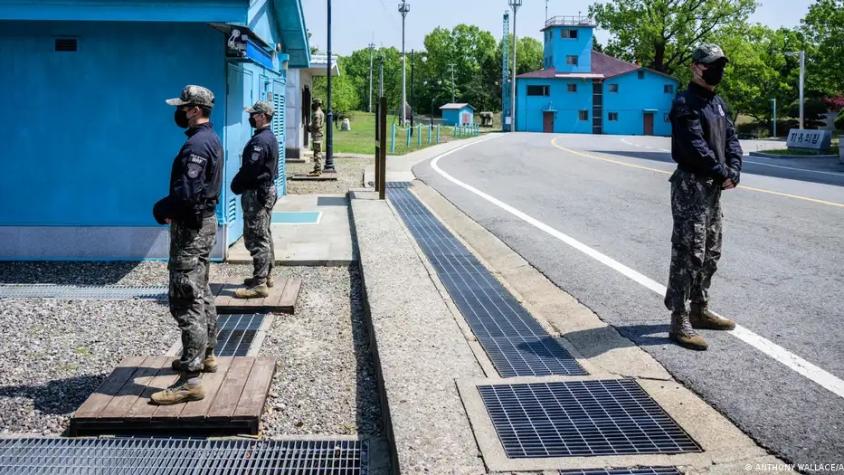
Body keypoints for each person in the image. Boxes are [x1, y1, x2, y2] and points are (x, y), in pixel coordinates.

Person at [664, 44, 743, 351]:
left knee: (710, 250)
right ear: (696, 67)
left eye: (721, 64)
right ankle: (679, 318)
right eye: (712, 65)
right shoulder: (685, 103)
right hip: (691, 186)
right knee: (688, 251)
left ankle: (700, 308)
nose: (717, 70)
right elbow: (694, 145)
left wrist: (734, 169)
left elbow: (732, 139)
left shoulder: (718, 103)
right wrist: (721, 169)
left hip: (712, 187)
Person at [152, 85, 223, 404]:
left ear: (194, 110)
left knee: (186, 297)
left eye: (182, 107)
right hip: (204, 225)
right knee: (202, 289)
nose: (178, 112)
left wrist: (161, 208)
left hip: (191, 231)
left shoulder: (196, 145)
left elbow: (187, 194)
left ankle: (190, 380)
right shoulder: (210, 139)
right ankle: (205, 354)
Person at [230, 100, 279, 298]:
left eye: (253, 114)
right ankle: (265, 275)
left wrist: (236, 184)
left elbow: (251, 170)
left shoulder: (260, 141)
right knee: (264, 233)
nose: (250, 117)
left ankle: (259, 284)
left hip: (257, 193)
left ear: (261, 116)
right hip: (266, 191)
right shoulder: (268, 137)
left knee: (256, 236)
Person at [308, 99, 325, 176]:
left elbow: (316, 126)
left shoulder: (317, 114)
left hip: (317, 135)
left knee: (317, 153)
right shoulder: (320, 112)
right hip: (318, 135)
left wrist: (309, 127)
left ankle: (318, 170)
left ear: (317, 104)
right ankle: (316, 169)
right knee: (317, 152)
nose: (312, 105)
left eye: (314, 103)